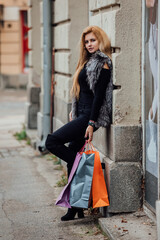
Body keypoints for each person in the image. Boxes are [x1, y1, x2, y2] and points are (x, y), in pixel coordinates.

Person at [45, 25, 113, 221]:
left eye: (93, 40)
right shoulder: (87, 61)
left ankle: (80, 163)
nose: (89, 44)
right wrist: (73, 111)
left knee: (52, 142)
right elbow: (81, 91)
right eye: (87, 41)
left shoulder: (103, 63)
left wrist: (91, 123)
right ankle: (76, 207)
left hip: (88, 116)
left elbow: (99, 97)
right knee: (72, 151)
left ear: (100, 40)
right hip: (80, 114)